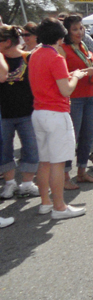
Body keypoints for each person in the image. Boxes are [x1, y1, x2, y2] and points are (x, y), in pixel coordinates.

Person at [28, 18, 88, 220]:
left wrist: (71, 75)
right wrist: (76, 77)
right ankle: (59, 206)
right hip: (56, 113)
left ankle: (46, 202)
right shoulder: (56, 57)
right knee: (57, 163)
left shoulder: (35, 54)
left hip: (39, 112)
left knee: (44, 161)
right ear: (61, 37)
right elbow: (66, 89)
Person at [62, 14, 93, 187]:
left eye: (81, 28)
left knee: (88, 137)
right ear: (67, 32)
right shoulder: (63, 49)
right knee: (71, 138)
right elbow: (62, 76)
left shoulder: (84, 46)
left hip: (89, 96)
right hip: (73, 99)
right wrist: (88, 73)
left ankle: (82, 172)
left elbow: (89, 71)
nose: (79, 32)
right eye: (74, 29)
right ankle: (65, 177)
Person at [0, 26, 38, 200]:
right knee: (4, 149)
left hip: (28, 112)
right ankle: (9, 183)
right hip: (4, 114)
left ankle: (27, 183)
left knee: (31, 147)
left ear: (7, 42)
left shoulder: (29, 58)